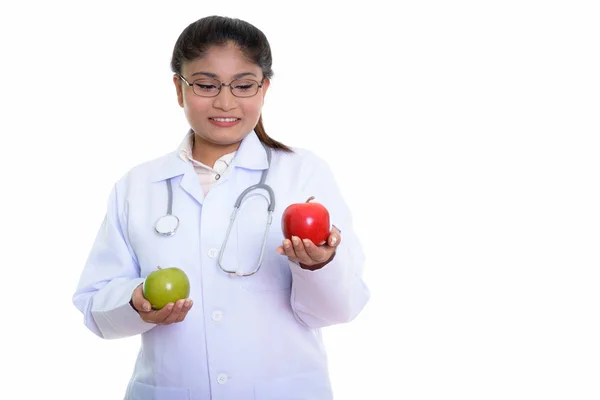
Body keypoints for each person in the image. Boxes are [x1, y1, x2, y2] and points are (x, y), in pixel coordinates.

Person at [72, 15, 370, 400]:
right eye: (205, 85)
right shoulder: (137, 186)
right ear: (179, 90)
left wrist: (317, 265)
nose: (225, 101)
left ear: (264, 89)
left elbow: (340, 310)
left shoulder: (303, 173)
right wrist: (135, 302)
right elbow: (95, 308)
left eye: (243, 85)